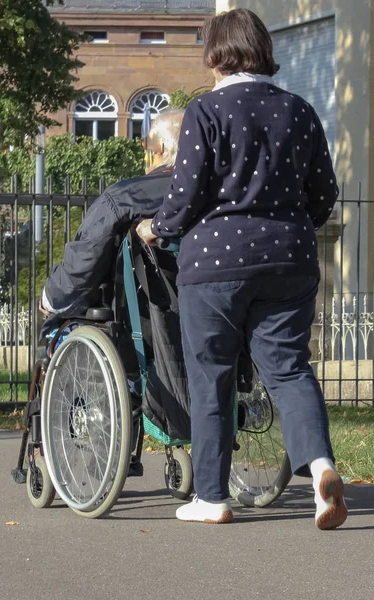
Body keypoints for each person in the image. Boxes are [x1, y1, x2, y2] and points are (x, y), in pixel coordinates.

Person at [137, 8, 347, 529]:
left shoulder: (205, 112)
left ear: (217, 54)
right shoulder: (300, 111)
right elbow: (324, 194)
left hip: (216, 264)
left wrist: (156, 227)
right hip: (290, 262)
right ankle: (322, 470)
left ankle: (211, 496)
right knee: (290, 369)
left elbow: (185, 197)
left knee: (212, 376)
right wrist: (292, 226)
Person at [39, 109, 184, 477]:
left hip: (138, 327)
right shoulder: (221, 192)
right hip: (198, 317)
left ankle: (76, 442)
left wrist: (51, 297)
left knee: (58, 326)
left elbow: (83, 263)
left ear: (162, 147)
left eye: (147, 146)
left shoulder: (127, 195)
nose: (145, 154)